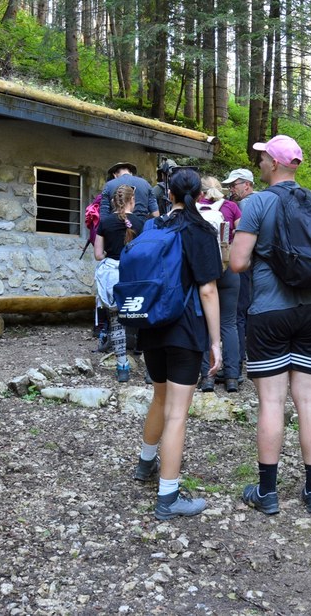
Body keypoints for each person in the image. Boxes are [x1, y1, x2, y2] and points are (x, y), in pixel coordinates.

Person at [230, 135, 311, 515]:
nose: (258, 164)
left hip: (269, 313)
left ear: (275, 164)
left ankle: (268, 493)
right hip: (310, 312)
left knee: (272, 401)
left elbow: (238, 263)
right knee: (309, 400)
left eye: (262, 158)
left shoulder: (257, 202)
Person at [133, 169, 223, 520]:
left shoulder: (152, 228)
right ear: (199, 193)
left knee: (159, 397)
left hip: (151, 324)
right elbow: (208, 289)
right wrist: (215, 342)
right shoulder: (201, 230)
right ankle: (168, 497)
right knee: (177, 413)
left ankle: (145, 464)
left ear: (168, 192)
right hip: (184, 330)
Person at [94, 185, 145, 382]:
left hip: (112, 277)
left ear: (115, 201)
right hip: (134, 275)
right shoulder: (142, 223)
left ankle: (122, 366)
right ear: (133, 201)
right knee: (144, 318)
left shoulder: (105, 222)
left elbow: (98, 255)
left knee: (116, 321)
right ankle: (149, 370)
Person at [197, 175, 243, 393]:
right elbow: (242, 233)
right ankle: (232, 376)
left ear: (201, 192)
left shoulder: (196, 208)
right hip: (229, 268)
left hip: (205, 271)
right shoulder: (232, 207)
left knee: (207, 323)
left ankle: (207, 376)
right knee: (229, 323)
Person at [223, 168, 257, 379]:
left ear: (246, 184)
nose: (230, 190)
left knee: (239, 312)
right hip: (259, 265)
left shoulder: (243, 206)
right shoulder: (263, 201)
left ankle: (238, 360)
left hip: (244, 264)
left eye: (233, 185)